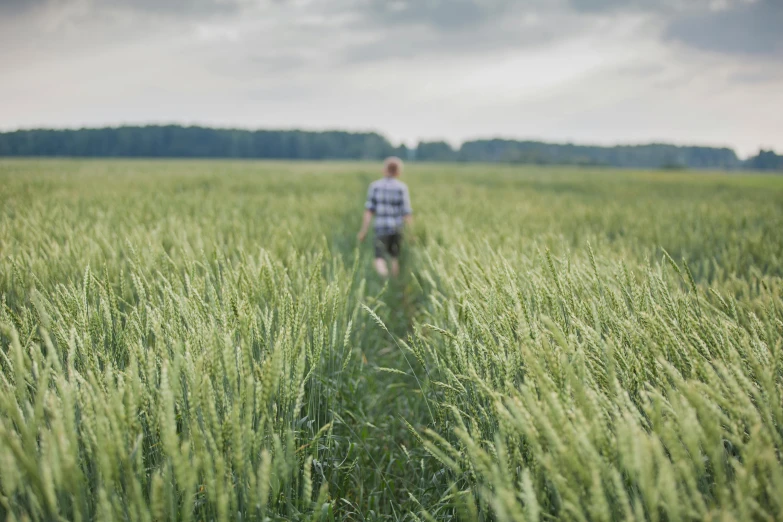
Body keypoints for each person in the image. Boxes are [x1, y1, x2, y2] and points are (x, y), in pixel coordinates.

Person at [357, 156, 412, 278]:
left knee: (379, 258)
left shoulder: (375, 186)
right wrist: (411, 233)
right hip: (397, 229)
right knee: (394, 257)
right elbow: (406, 213)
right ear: (398, 172)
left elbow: (369, 211)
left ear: (384, 170)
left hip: (381, 228)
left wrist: (363, 231)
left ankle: (384, 279)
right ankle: (393, 281)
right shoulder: (402, 188)